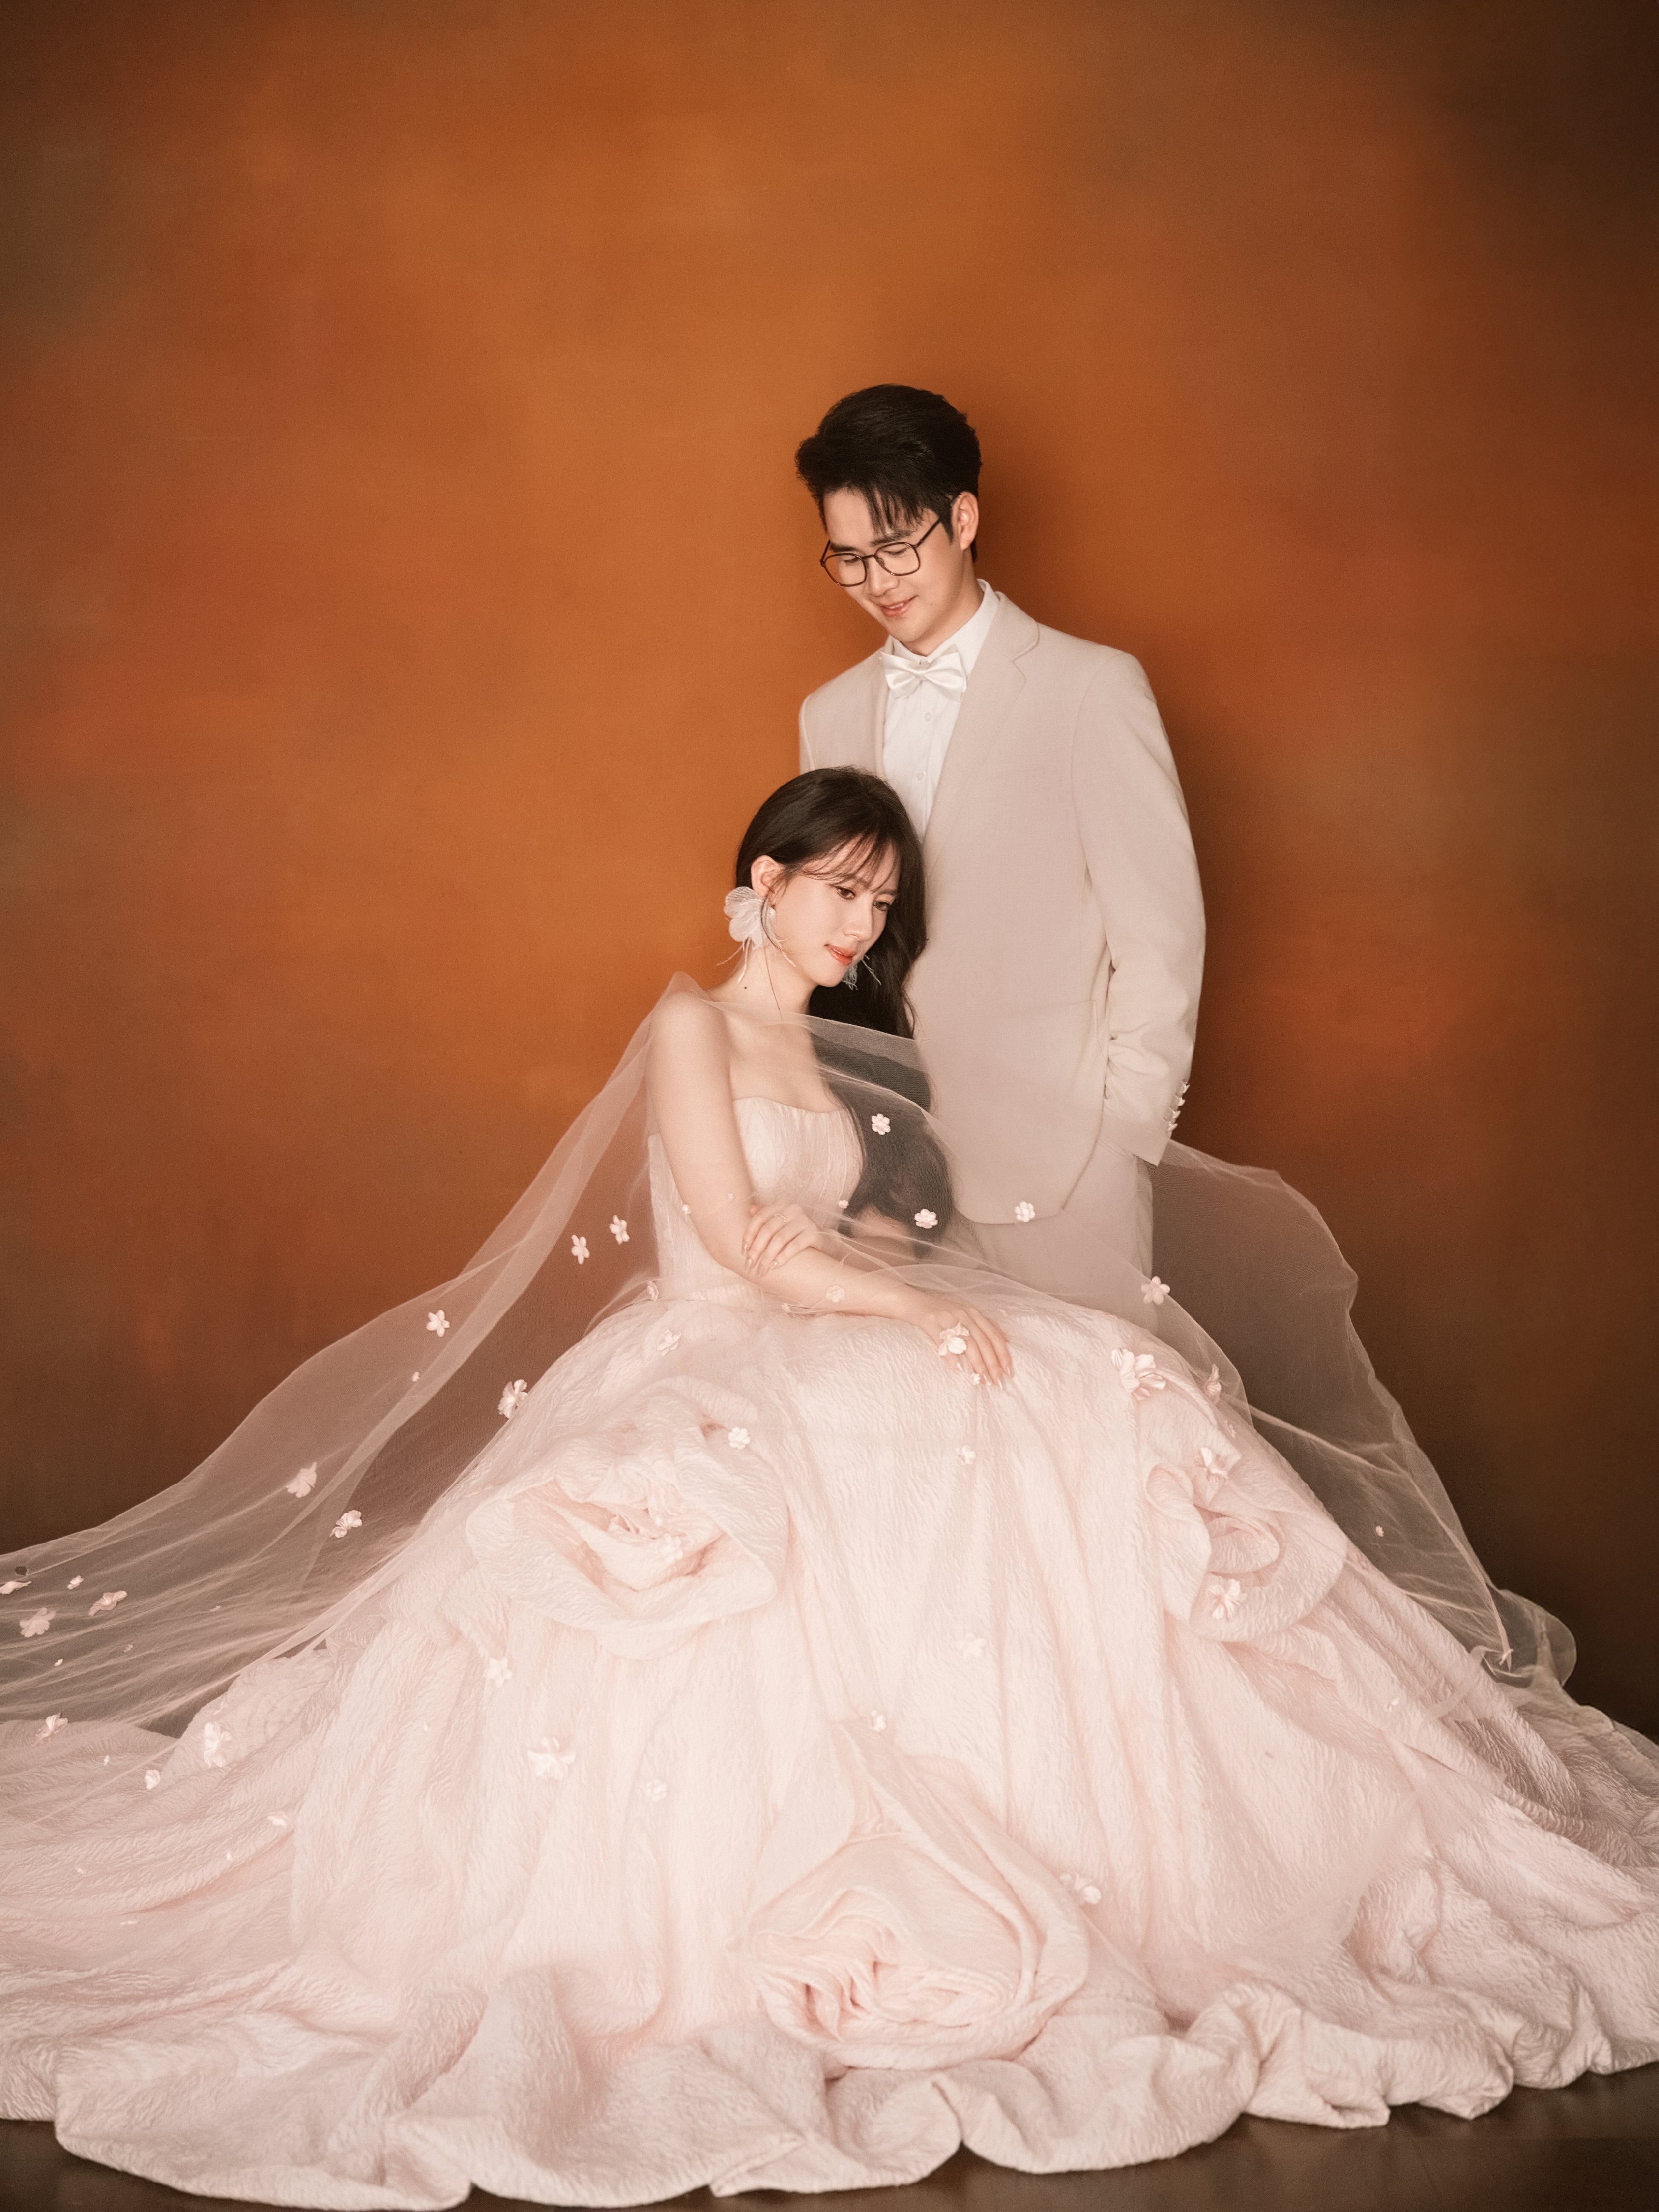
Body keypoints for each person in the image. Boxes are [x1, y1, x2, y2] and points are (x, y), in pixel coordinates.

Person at [2, 769, 1657, 2211]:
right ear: (762, 884)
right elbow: (740, 1239)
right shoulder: (690, 1024)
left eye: (879, 901)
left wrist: (905, 1290)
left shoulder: (841, 1049)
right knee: (897, 1438)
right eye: (839, 889)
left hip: (824, 1332)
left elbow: (856, 1239)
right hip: (720, 1353)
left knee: (1096, 1390)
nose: (860, 922)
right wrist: (901, 1308)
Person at [795, 384, 1204, 1286]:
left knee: (1091, 1382)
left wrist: (1123, 1136)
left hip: (1066, 1165)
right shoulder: (828, 715)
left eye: (897, 548)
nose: (878, 583)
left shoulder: (1092, 689)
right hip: (893, 1166)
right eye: (850, 559)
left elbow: (1162, 938)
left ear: (963, 518)